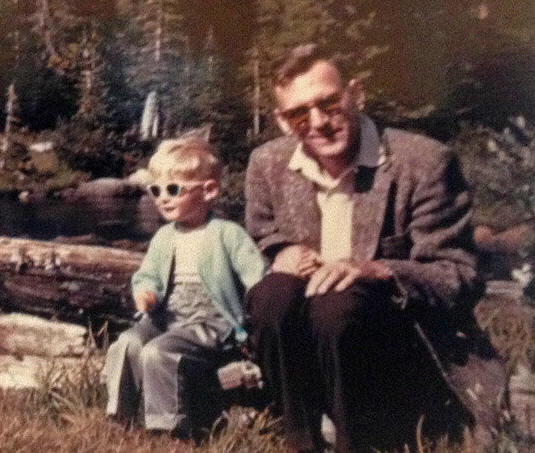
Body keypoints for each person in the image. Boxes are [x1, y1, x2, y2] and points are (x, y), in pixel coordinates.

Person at [244, 44, 506, 453]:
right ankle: (300, 439)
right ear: (282, 121)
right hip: (312, 344)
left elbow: (459, 275)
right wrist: (281, 252)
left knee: (338, 306)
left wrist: (378, 270)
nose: (318, 123)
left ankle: (359, 444)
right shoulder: (267, 164)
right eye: (299, 114)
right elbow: (263, 230)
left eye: (329, 103)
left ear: (356, 94)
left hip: (400, 349)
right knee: (270, 295)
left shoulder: (423, 162)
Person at [105, 133, 267, 439]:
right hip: (167, 317)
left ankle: (170, 428)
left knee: (158, 352)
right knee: (126, 344)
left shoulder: (227, 234)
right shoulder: (165, 237)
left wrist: (253, 328)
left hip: (212, 324)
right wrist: (144, 291)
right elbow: (147, 274)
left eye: (173, 189)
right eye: (156, 190)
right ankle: (120, 417)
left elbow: (257, 279)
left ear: (209, 191)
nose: (162, 197)